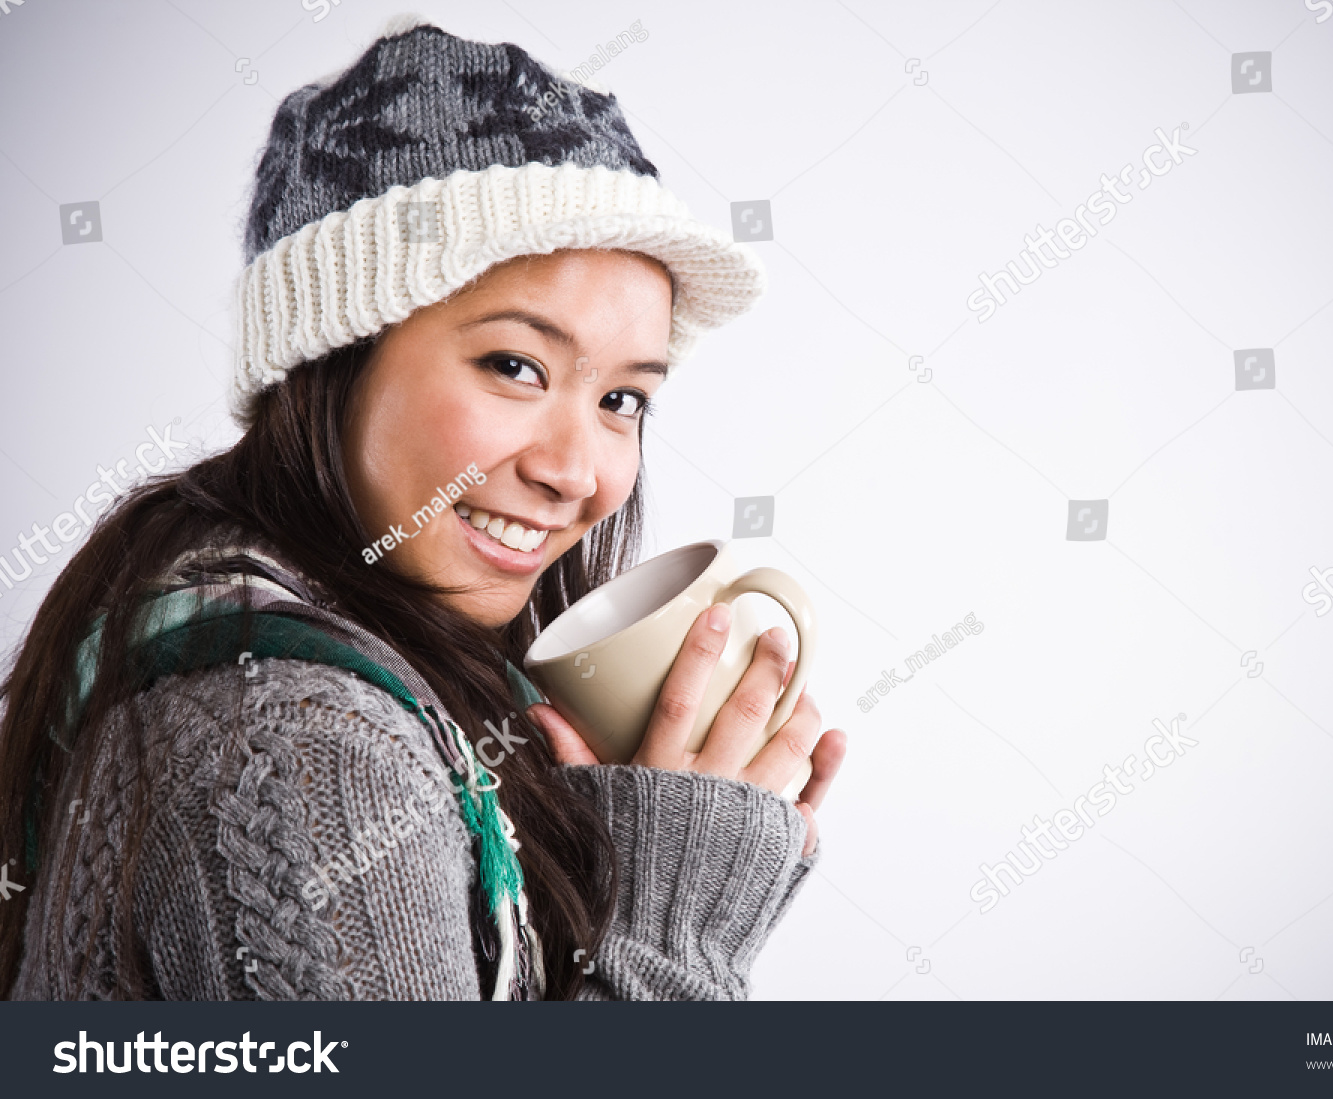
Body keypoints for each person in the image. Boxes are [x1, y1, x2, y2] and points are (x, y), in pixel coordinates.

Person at [0, 15, 845, 1001]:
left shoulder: (269, 626)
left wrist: (645, 829)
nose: (579, 472)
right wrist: (672, 927)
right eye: (515, 366)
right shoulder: (300, 740)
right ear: (333, 361)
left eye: (622, 400)